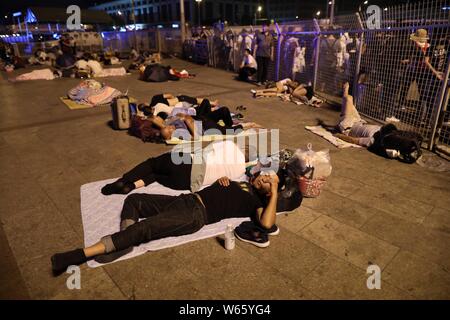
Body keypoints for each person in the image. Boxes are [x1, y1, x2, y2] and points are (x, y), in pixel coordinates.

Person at [50, 174, 280, 275]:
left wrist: (274, 191)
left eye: (268, 182)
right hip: (184, 199)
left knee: (145, 227)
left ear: (269, 192)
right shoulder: (241, 183)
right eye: (265, 176)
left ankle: (81, 254)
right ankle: (125, 241)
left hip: (195, 215)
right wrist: (224, 181)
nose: (264, 179)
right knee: (135, 199)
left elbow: (268, 223)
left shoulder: (255, 202)